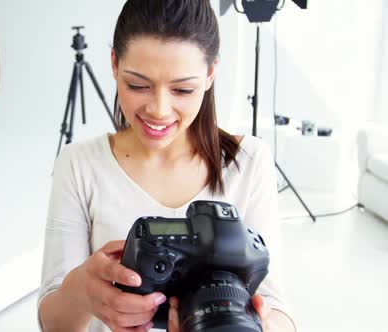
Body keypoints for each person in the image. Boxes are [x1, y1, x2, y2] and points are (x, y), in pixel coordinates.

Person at [38, 0, 297, 331]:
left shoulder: (249, 161)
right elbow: (52, 323)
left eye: (182, 89)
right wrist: (80, 294)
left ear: (210, 74)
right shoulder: (78, 164)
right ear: (114, 64)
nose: (159, 110)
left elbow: (281, 311)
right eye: (138, 85)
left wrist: (260, 323)